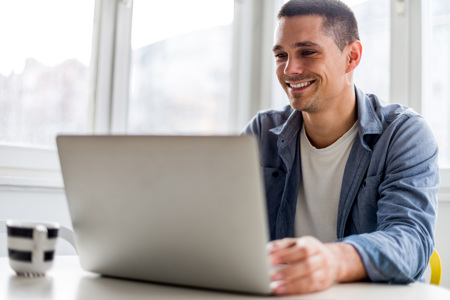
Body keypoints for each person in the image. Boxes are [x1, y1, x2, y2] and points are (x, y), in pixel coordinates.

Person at [243, 0, 440, 295]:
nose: (290, 69)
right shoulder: (262, 133)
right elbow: (224, 228)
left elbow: (411, 240)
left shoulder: (404, 134)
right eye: (281, 55)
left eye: (307, 52)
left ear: (352, 57)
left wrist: (332, 259)